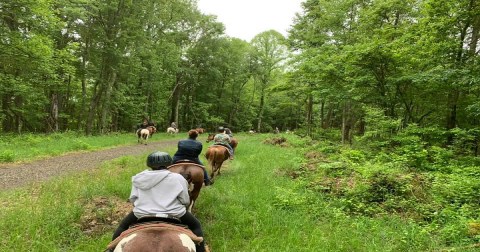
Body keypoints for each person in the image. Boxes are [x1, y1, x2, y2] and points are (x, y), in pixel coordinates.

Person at [111, 151, 207, 252]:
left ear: (149, 164)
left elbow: (133, 199)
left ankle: (110, 249)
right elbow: (185, 200)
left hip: (142, 213)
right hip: (174, 212)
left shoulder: (139, 178)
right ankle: (201, 250)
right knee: (196, 225)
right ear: (169, 163)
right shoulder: (178, 178)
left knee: (122, 227)